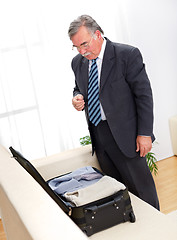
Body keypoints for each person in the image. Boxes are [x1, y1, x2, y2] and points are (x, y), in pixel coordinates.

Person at [68, 15, 159, 210]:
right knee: (116, 191)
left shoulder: (127, 55)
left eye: (84, 44)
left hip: (128, 136)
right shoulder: (77, 62)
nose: (82, 51)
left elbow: (144, 96)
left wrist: (144, 133)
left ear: (98, 35)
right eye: (77, 47)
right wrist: (77, 97)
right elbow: (78, 87)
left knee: (142, 190)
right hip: (99, 135)